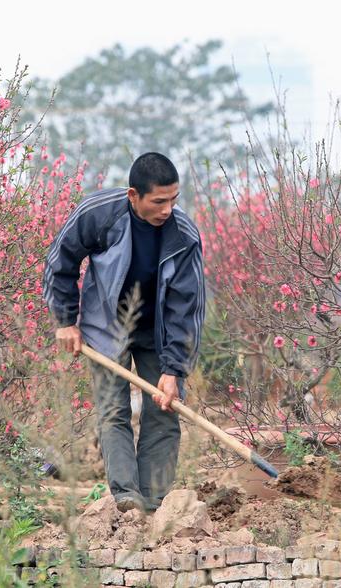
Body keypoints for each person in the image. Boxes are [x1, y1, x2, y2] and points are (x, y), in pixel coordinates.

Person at [42, 152, 205, 512]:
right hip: (105, 327)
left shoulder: (184, 235)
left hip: (159, 333)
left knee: (164, 408)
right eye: (159, 201)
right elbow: (60, 262)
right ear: (134, 195)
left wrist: (174, 369)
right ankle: (127, 498)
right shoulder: (98, 213)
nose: (168, 209)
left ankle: (155, 501)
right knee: (112, 411)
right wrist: (66, 320)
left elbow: (187, 307)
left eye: (174, 199)